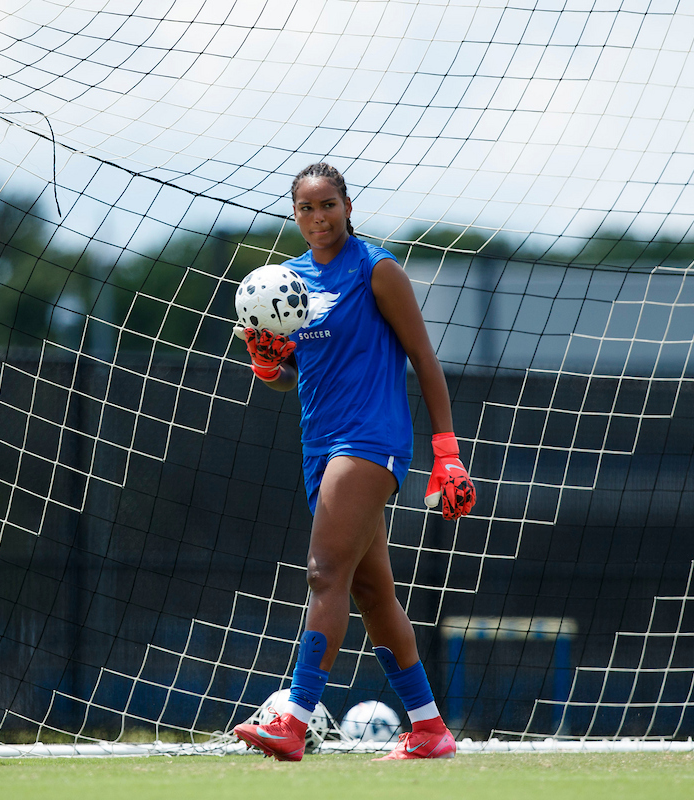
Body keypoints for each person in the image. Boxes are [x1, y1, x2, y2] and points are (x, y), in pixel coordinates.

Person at [232, 163, 476, 761]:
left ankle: (294, 719)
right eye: (306, 208)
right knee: (371, 592)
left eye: (328, 205)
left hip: (371, 440)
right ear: (294, 214)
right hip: (318, 445)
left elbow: (424, 358)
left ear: (347, 206)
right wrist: (266, 363)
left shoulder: (377, 269)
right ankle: (429, 729)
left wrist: (447, 453)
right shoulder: (286, 281)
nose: (319, 217)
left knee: (323, 573)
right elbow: (290, 375)